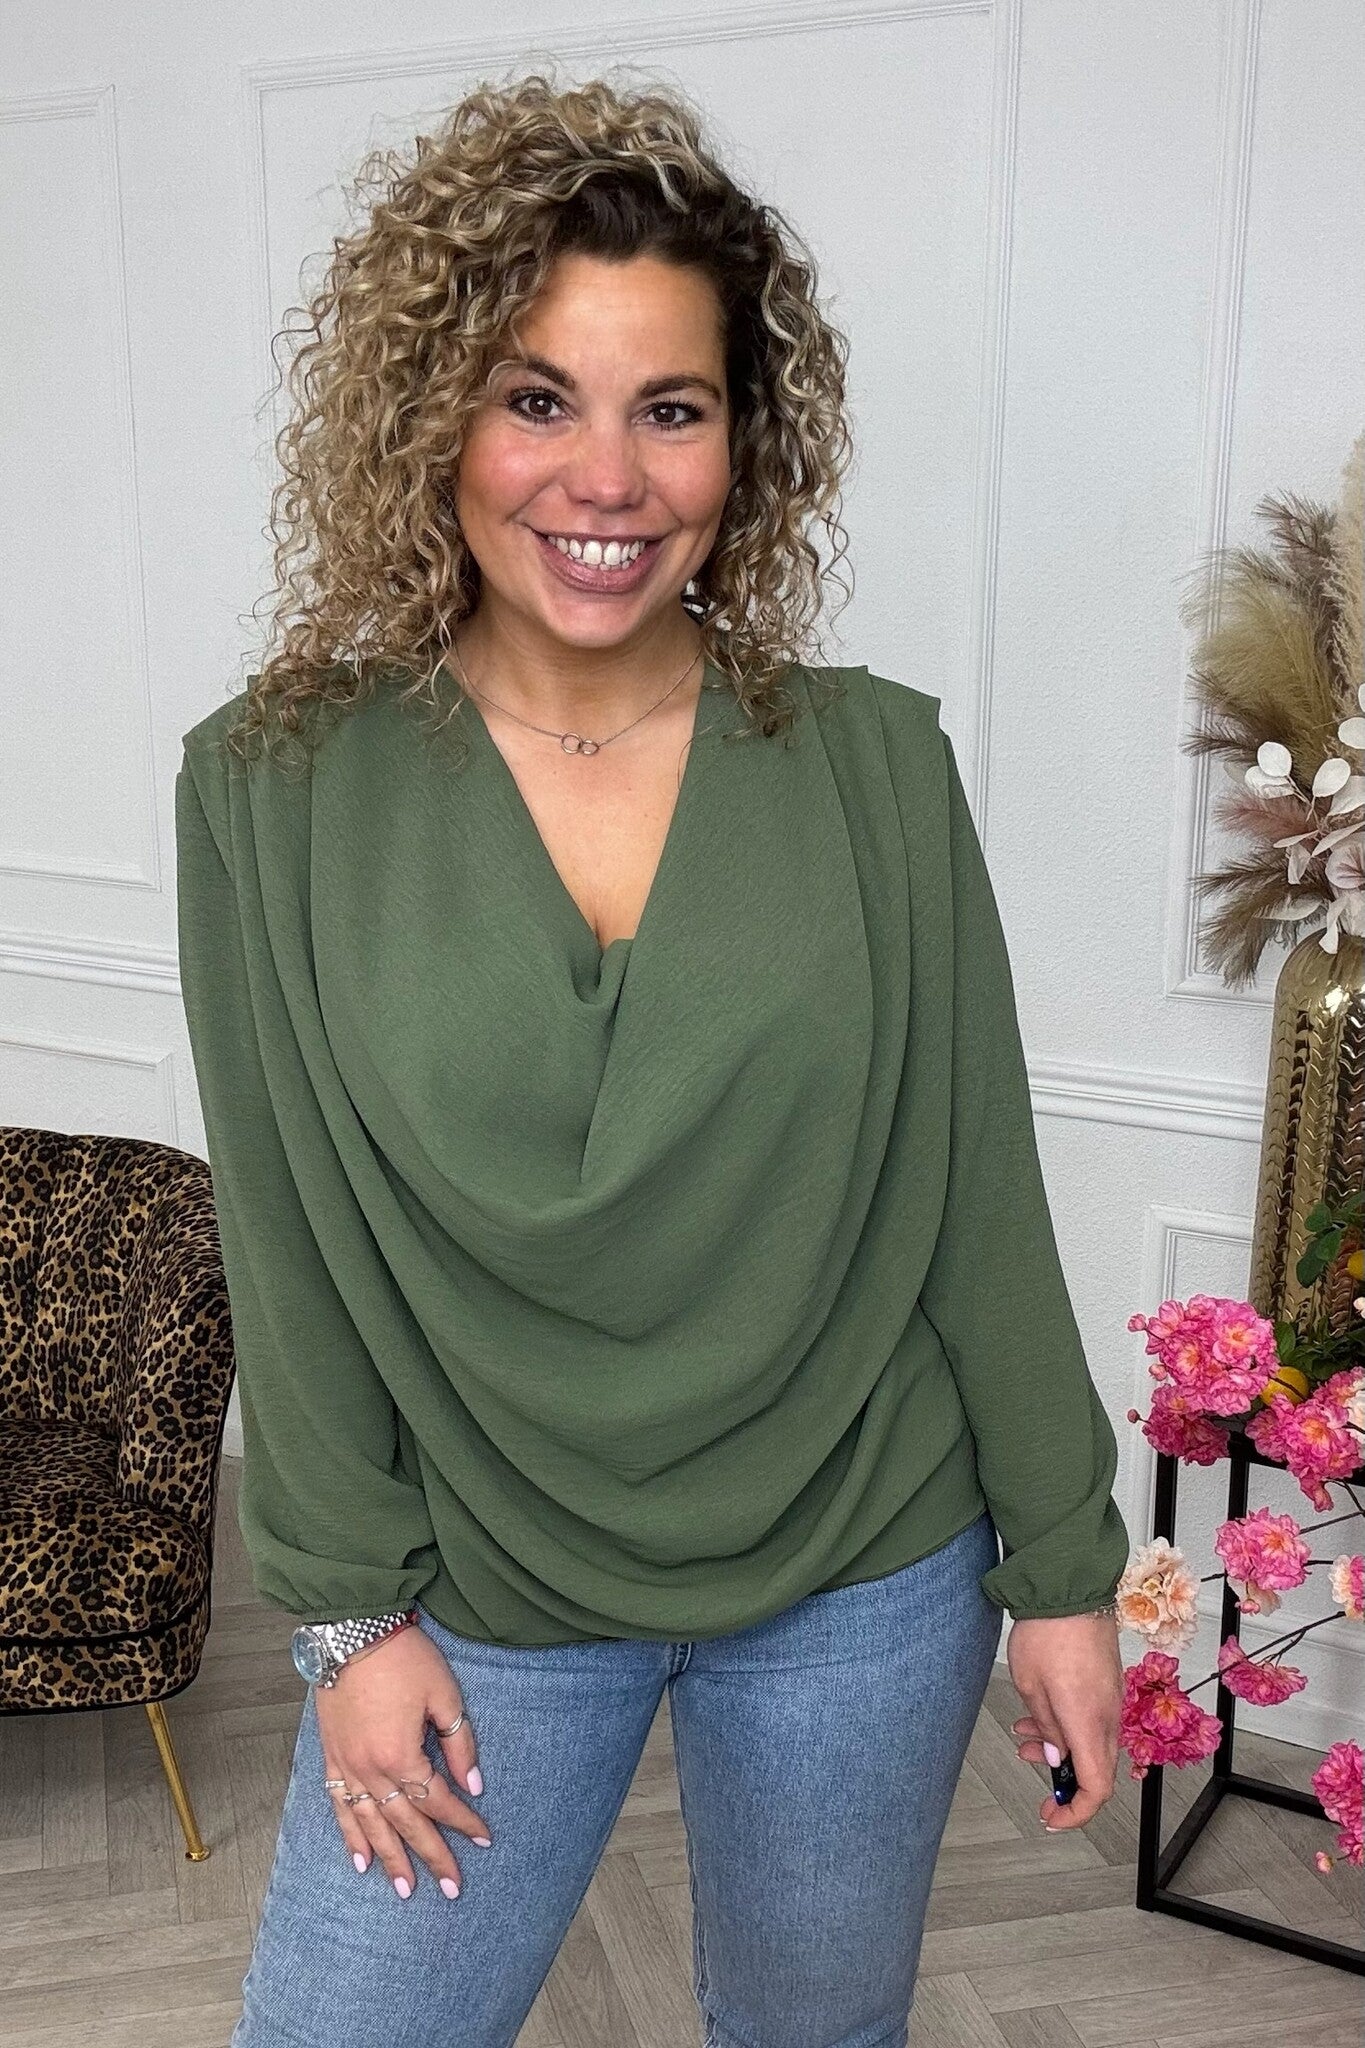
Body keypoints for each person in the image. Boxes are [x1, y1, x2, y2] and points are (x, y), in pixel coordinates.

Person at [175, 67, 1129, 2048]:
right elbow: (284, 1226)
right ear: (430, 417)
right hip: (479, 1574)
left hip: (865, 1563)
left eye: (669, 408)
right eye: (537, 398)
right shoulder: (273, 786)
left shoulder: (869, 763)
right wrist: (348, 1618)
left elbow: (974, 1185)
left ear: (741, 445)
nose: (604, 478)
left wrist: (1059, 1565)